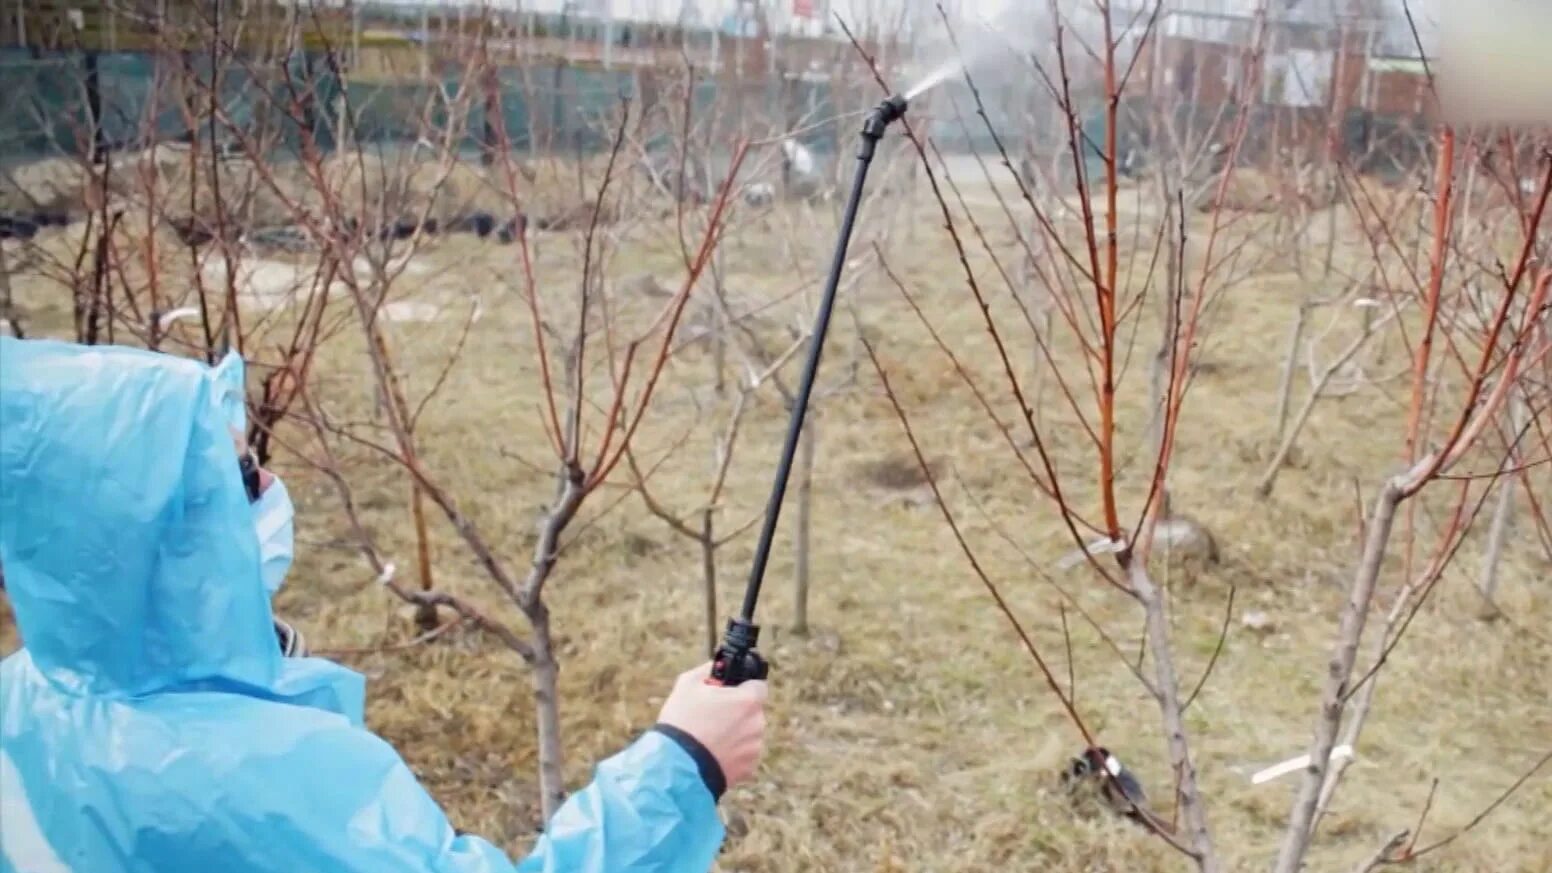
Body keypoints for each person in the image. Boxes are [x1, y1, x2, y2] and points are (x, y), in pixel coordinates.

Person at [0, 336, 769, 872]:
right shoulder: (251, 781)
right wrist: (685, 763)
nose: (269, 486)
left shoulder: (24, 698)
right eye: (235, 477)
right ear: (154, 536)